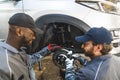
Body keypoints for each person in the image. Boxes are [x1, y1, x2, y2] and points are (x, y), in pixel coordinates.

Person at [0, 13, 61, 80]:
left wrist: (47, 49)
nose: (34, 37)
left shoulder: (19, 51)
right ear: (19, 32)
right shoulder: (4, 64)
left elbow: (30, 61)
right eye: (32, 34)